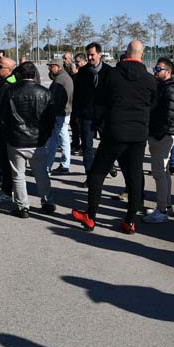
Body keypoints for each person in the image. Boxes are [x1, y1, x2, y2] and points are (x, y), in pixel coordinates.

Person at [72, 41, 156, 234]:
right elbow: (153, 103)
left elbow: (100, 100)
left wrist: (104, 119)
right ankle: (130, 221)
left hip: (115, 131)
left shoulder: (112, 74)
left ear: (126, 53)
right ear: (142, 55)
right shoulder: (149, 79)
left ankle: (91, 217)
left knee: (97, 173)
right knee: (134, 176)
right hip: (138, 134)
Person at [4, 62, 57, 217]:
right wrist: (46, 135)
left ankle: (22, 207)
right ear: (34, 74)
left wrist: (9, 133)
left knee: (18, 175)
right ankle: (47, 202)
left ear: (19, 74)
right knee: (41, 173)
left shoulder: (10, 92)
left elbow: (3, 116)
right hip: (37, 139)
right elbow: (51, 118)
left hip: (16, 139)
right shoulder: (44, 92)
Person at [142, 57, 174, 224]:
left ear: (168, 71)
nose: (155, 71)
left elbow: (170, 116)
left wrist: (158, 134)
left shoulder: (172, 89)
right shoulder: (163, 86)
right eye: (155, 68)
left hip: (163, 135)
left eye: (158, 69)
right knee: (164, 172)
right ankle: (166, 205)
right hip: (160, 134)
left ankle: (161, 210)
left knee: (159, 173)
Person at [72, 42, 110, 175]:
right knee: (87, 146)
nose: (89, 58)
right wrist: (77, 115)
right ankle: (89, 174)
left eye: (92, 55)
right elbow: (77, 95)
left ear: (100, 54)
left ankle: (108, 166)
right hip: (86, 116)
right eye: (88, 55)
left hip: (104, 116)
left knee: (107, 144)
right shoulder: (82, 72)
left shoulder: (109, 72)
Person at [0, 57, 17, 202]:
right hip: (0, 127)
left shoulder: (9, 84)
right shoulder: (1, 82)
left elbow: (0, 109)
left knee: (6, 161)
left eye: (0, 67)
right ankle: (6, 188)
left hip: (5, 128)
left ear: (9, 70)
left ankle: (7, 191)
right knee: (4, 160)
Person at [45, 60, 74, 175]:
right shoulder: (62, 77)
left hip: (60, 114)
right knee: (64, 138)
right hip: (64, 113)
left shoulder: (60, 79)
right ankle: (65, 165)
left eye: (51, 66)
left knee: (52, 141)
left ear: (58, 67)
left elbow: (55, 99)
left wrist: (52, 112)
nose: (49, 69)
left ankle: (47, 168)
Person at [69, 53, 87, 154]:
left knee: (83, 129)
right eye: (75, 62)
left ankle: (84, 147)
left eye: (78, 62)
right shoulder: (75, 73)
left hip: (84, 106)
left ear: (84, 62)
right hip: (74, 104)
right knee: (74, 125)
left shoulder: (87, 73)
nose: (76, 64)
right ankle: (75, 144)